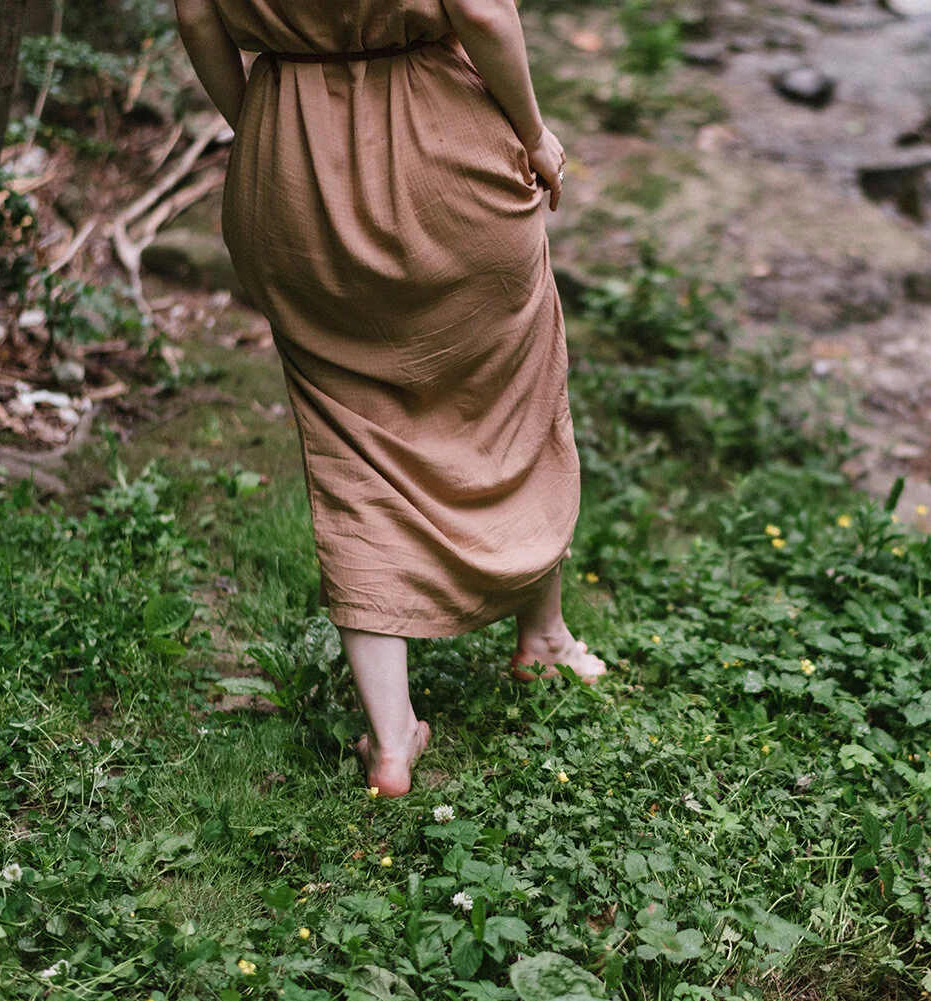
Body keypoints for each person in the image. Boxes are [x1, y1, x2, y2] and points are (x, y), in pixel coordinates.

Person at [174, 0, 606, 798]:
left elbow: (198, 17)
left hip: (291, 170)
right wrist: (536, 133)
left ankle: (391, 736)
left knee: (348, 432)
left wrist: (261, 125)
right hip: (441, 155)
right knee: (511, 398)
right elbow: (480, 11)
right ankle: (542, 635)